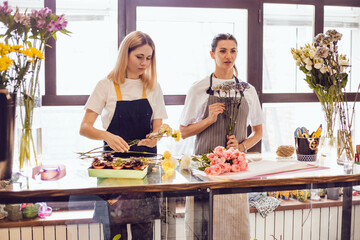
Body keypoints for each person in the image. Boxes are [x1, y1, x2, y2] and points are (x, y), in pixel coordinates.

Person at [80, 31, 167, 240]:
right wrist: (107, 136)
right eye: (139, 57)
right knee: (115, 236)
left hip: (144, 174)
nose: (144, 63)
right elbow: (84, 127)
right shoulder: (106, 85)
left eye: (149, 58)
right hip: (113, 175)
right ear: (125, 55)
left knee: (144, 235)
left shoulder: (152, 87)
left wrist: (155, 137)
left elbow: (158, 129)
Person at [179, 33, 263, 239]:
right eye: (222, 51)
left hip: (235, 171)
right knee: (202, 228)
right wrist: (208, 119)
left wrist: (241, 146)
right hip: (203, 170)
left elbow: (259, 132)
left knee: (234, 227)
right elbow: (183, 131)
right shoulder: (199, 88)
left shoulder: (247, 90)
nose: (228, 56)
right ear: (212, 54)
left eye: (233, 51)